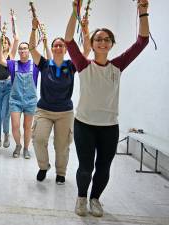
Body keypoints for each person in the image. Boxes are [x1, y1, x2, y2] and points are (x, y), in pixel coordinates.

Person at [65, 0, 150, 217]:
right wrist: (75, 11)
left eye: (107, 39)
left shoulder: (118, 65)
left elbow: (142, 42)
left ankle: (95, 199)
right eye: (98, 39)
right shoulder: (83, 65)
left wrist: (143, 12)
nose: (103, 42)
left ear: (112, 43)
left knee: (103, 168)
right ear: (92, 44)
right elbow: (68, 40)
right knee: (85, 168)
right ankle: (82, 197)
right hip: (84, 125)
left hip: (109, 128)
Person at [30, 17, 90, 185]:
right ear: (51, 48)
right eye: (55, 45)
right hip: (44, 110)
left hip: (65, 112)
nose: (58, 47)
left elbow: (86, 49)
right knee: (39, 139)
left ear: (65, 49)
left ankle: (61, 172)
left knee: (62, 145)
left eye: (61, 45)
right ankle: (43, 166)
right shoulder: (44, 64)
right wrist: (34, 29)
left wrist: (85, 30)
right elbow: (32, 48)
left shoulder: (71, 65)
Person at [0, 36, 39, 159]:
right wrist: (1, 44)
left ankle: (26, 148)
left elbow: (49, 59)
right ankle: (18, 145)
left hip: (30, 101)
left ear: (29, 51)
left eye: (25, 48)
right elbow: (0, 60)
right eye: (20, 49)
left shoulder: (35, 65)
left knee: (27, 127)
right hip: (15, 100)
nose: (22, 51)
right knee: (15, 126)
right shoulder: (13, 64)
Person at [0, 13, 19, 152]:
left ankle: (6, 134)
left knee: (5, 114)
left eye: (6, 42)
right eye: (3, 42)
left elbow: (16, 38)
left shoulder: (12, 56)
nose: (4, 43)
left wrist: (13, 21)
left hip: (8, 86)